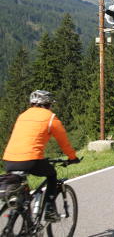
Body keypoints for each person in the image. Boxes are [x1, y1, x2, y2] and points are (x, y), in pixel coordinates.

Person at [2, 90, 80, 222]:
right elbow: (64, 143)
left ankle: (23, 222)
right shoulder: (50, 118)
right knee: (52, 174)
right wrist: (73, 157)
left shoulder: (22, 116)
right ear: (48, 104)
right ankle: (49, 210)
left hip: (9, 160)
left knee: (22, 193)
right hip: (31, 160)